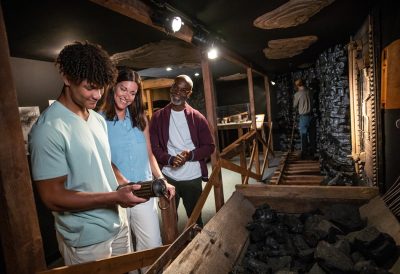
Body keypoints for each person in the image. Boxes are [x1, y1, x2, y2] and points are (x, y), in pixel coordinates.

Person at [28, 41, 147, 265]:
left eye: (101, 88)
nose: (97, 95)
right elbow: (52, 197)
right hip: (87, 240)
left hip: (118, 223)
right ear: (67, 78)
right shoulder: (48, 129)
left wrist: (123, 182)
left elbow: (103, 160)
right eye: (90, 87)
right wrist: (115, 197)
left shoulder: (96, 119)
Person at [98, 66, 175, 253]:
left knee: (151, 246)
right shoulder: (98, 119)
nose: (127, 96)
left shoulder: (141, 119)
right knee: (123, 252)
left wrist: (162, 178)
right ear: (113, 87)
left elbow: (149, 155)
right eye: (123, 89)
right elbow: (102, 158)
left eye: (132, 92)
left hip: (144, 190)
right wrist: (123, 184)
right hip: (115, 192)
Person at [149, 75, 215, 227]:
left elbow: (209, 146)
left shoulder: (197, 118)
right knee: (169, 221)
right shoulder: (158, 117)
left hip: (192, 177)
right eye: (175, 88)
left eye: (183, 90)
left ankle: (198, 249)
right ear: (171, 88)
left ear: (189, 93)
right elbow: (154, 148)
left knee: (195, 221)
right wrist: (170, 160)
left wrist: (189, 155)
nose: (177, 92)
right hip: (168, 176)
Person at [293, 78, 313, 159]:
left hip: (304, 117)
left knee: (303, 136)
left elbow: (294, 106)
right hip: (311, 116)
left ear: (297, 85)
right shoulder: (310, 91)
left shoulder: (297, 94)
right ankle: (312, 153)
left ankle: (304, 154)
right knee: (312, 136)